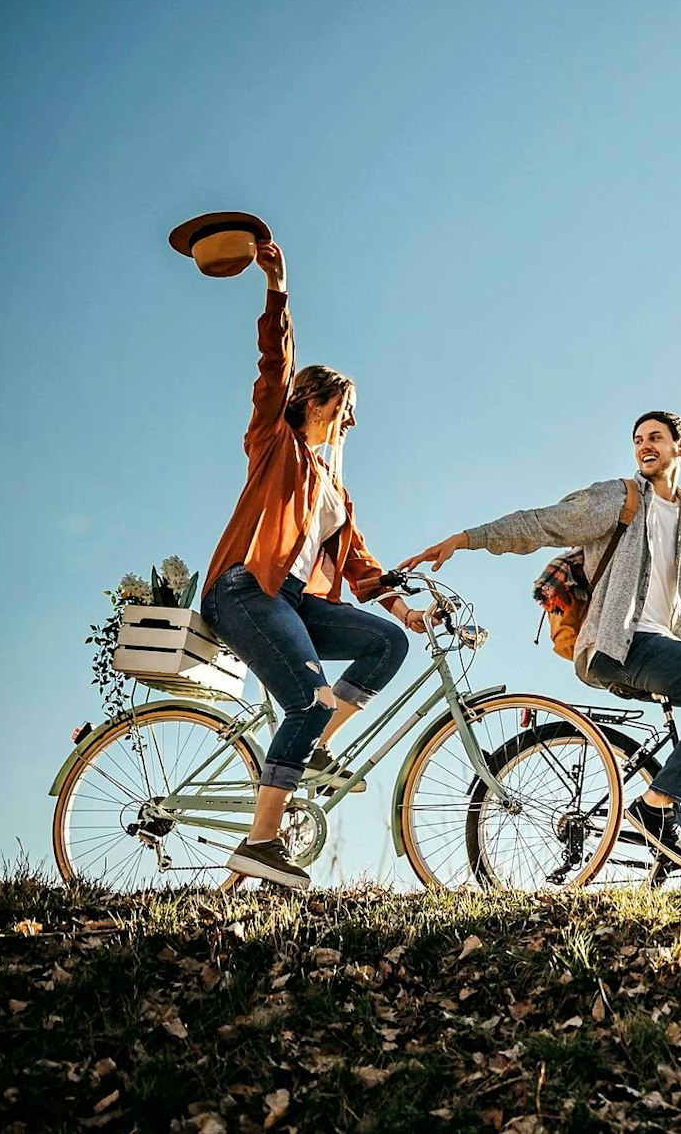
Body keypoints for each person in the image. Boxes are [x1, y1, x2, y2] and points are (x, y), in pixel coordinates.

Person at [401, 410, 681, 866]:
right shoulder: (620, 499)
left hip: (659, 644)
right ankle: (657, 804)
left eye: (656, 437)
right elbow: (543, 522)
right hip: (619, 644)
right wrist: (466, 539)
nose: (645, 446)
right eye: (639, 439)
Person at [199, 239, 431, 889]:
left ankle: (317, 738)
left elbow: (357, 563)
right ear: (322, 400)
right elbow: (276, 363)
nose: (352, 421)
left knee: (387, 641)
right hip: (247, 590)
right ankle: (260, 843)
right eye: (346, 408)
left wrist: (406, 607)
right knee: (307, 699)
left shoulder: (333, 483)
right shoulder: (274, 441)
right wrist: (278, 288)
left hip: (294, 602)